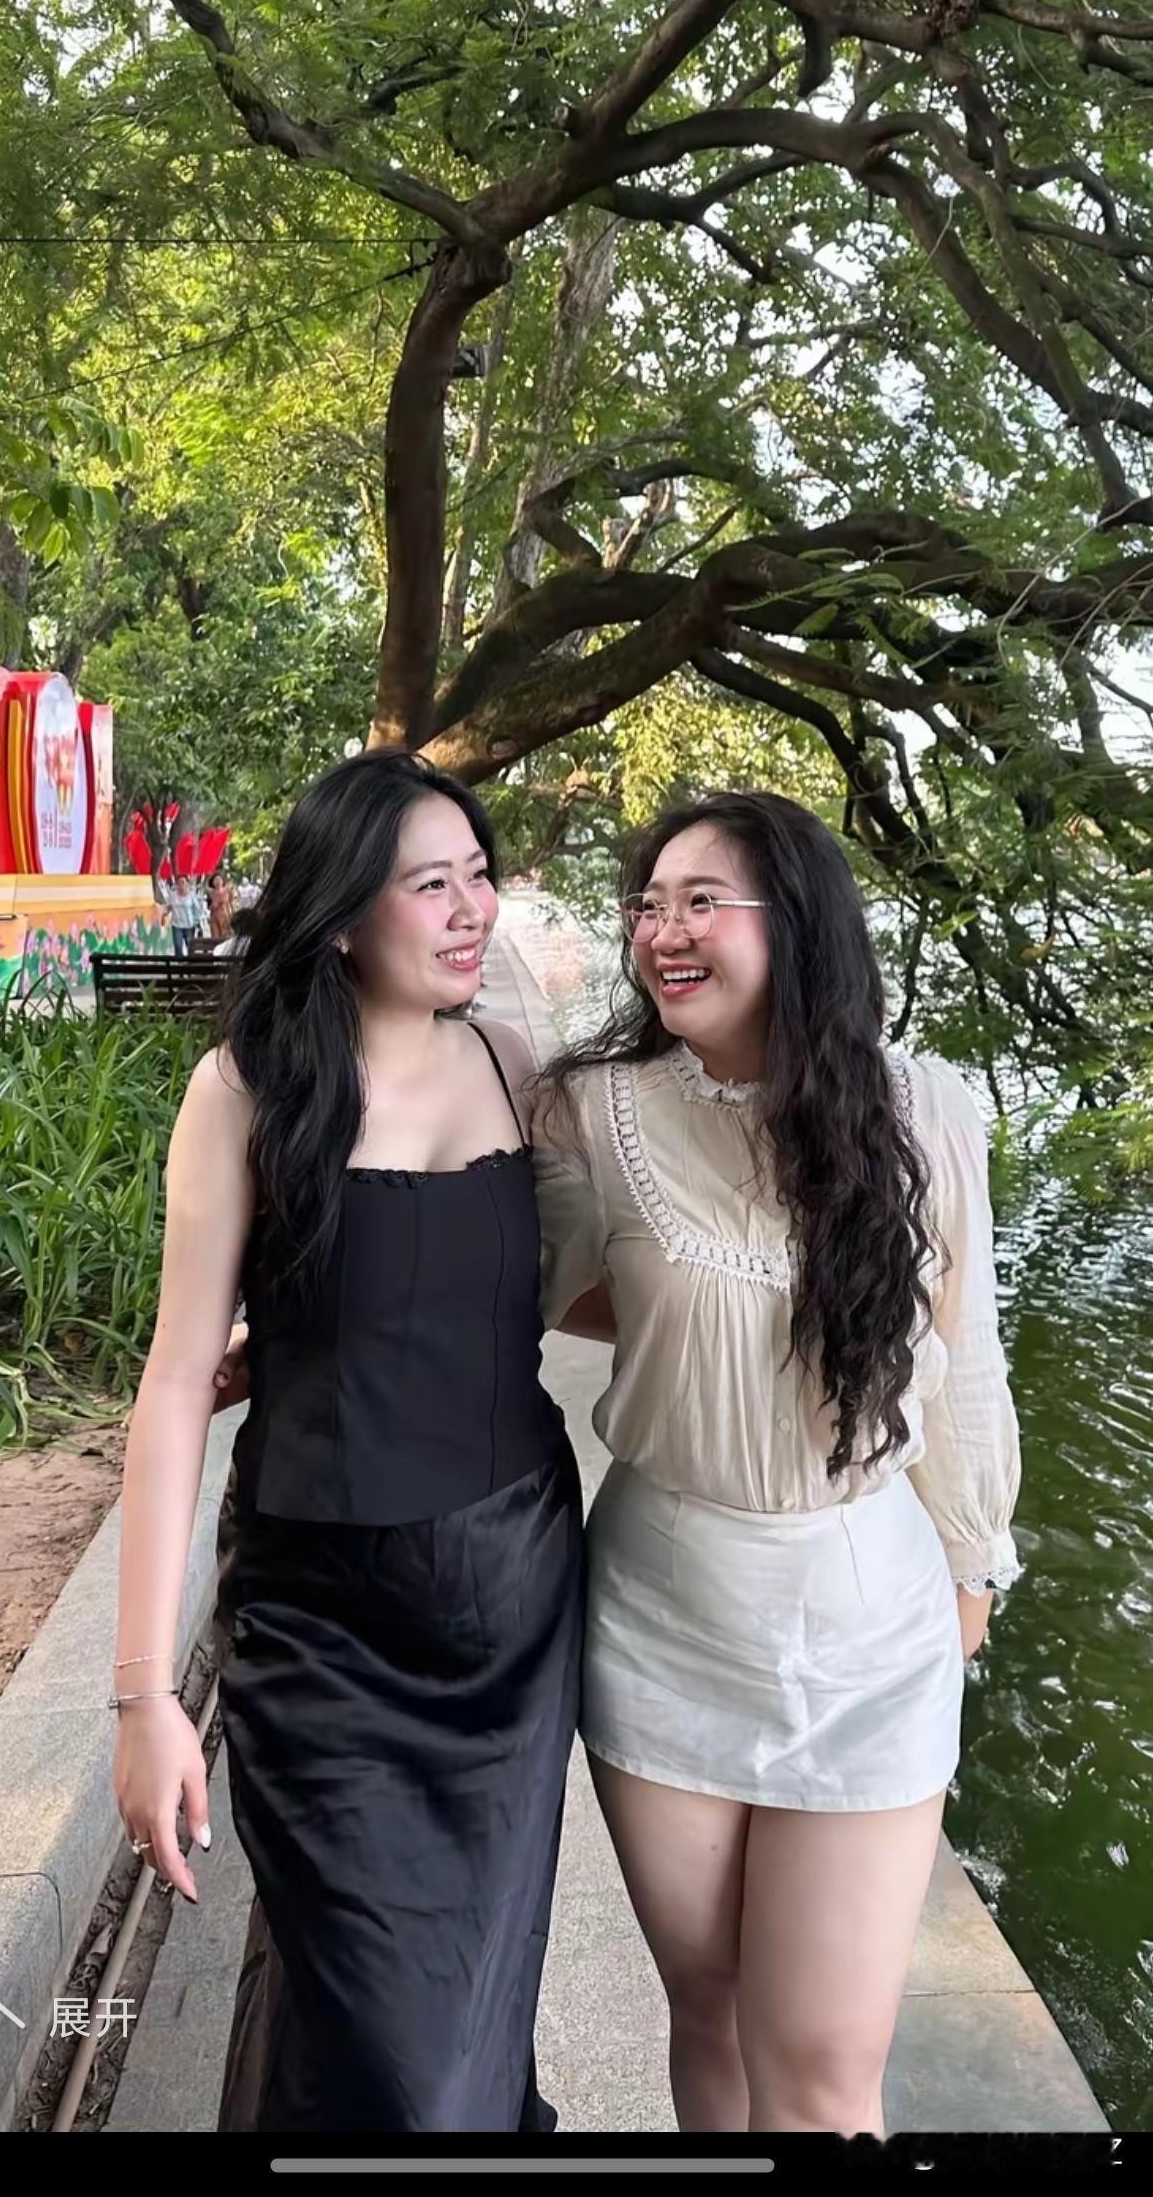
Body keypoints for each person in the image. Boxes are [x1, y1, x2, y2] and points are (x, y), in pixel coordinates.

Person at [531, 790, 1022, 2140]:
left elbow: (967, 1359)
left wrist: (974, 1565)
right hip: (665, 1611)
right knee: (710, 2010)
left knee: (820, 2070)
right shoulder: (595, 1111)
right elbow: (511, 1286)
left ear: (796, 924)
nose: (662, 931)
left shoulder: (925, 1109)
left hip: (868, 1620)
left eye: (702, 901)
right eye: (648, 904)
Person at [112, 752, 583, 2134]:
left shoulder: (515, 1062)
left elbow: (580, 1286)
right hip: (321, 1631)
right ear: (336, 914)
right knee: (391, 2052)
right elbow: (173, 1382)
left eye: (479, 875)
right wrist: (143, 1697)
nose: (471, 908)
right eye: (431, 883)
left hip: (511, 1615)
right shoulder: (246, 1091)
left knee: (460, 2006)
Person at [160, 869, 205, 958]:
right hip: (176, 924)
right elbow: (169, 906)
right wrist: (165, 913)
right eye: (179, 883)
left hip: (189, 924)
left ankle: (190, 962)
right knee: (178, 945)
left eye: (183, 882)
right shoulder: (173, 895)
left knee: (190, 945)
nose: (181, 885)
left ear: (187, 884)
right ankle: (180, 962)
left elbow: (197, 910)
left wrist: (197, 921)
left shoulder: (191, 895)